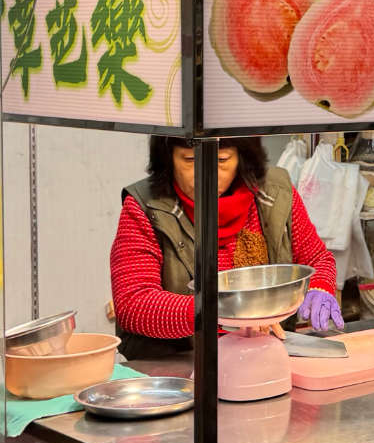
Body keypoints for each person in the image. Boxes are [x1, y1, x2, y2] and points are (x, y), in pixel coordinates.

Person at [111, 136, 343, 358]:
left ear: (241, 158)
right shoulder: (145, 207)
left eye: (221, 160)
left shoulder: (275, 192)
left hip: (263, 355)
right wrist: (221, 312)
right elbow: (134, 303)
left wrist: (320, 287)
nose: (205, 174)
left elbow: (317, 259)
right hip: (179, 363)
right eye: (189, 160)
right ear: (168, 158)